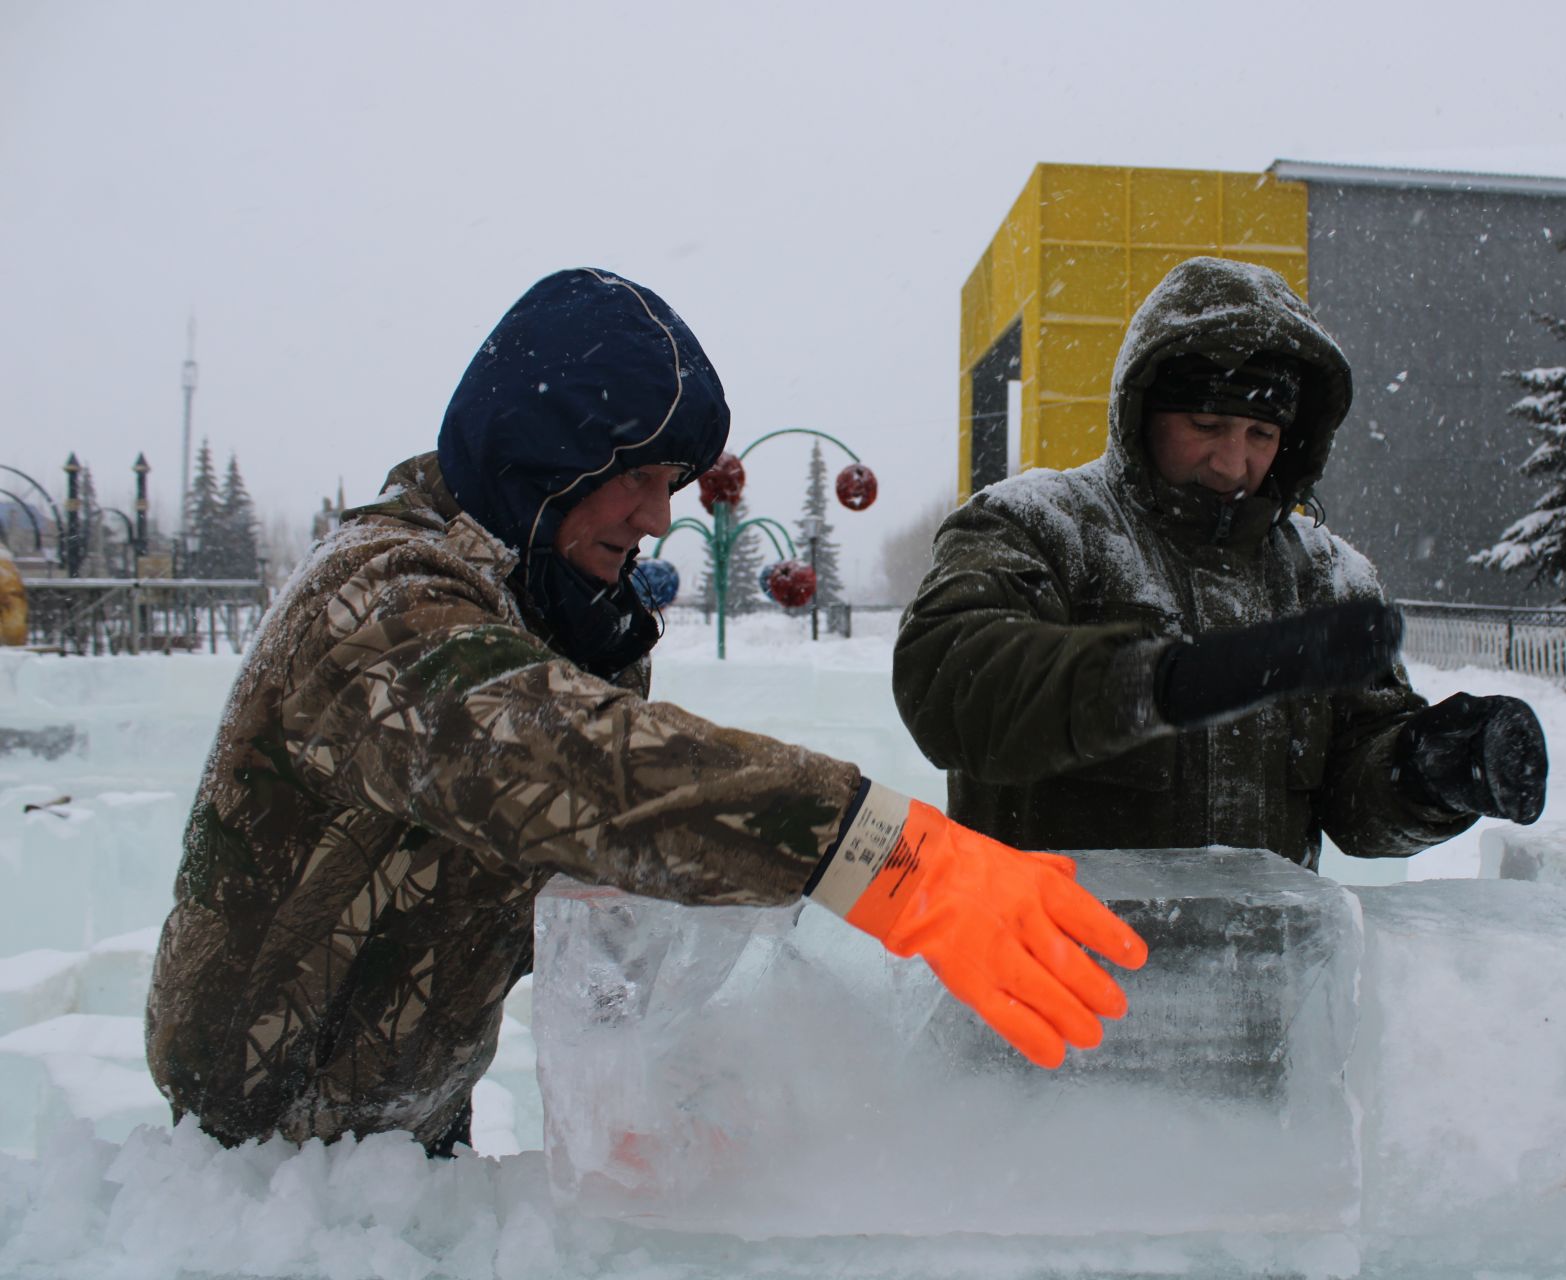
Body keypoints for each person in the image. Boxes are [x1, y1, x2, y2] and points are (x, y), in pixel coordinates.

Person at [144, 268, 1147, 1156]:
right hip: (241, 1167)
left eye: (670, 481)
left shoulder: (566, 623)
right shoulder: (374, 601)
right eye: (634, 474)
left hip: (408, 1147)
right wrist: (887, 859)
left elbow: (604, 882)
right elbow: (569, 767)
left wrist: (665, 1080)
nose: (660, 514)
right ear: (543, 456)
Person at [893, 256, 1547, 868]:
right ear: (1143, 410)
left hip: (1261, 979)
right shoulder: (1037, 524)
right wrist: (1164, 683)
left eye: (1261, 435)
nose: (1233, 464)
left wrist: (1429, 771)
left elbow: (1355, 798)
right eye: (1206, 425)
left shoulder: (1329, 577)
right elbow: (951, 681)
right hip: (1055, 975)